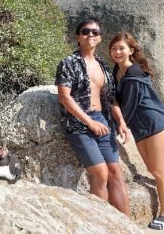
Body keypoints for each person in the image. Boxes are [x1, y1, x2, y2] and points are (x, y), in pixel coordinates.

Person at [108, 31, 164, 230]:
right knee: (154, 168)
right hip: (139, 125)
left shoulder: (133, 72)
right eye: (114, 48)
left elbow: (128, 105)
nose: (117, 52)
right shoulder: (116, 70)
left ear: (131, 50)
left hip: (152, 122)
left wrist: (116, 124)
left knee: (157, 170)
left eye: (122, 48)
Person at [55, 18, 130, 217]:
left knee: (116, 173)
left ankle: (127, 225)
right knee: (100, 173)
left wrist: (121, 122)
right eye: (86, 31)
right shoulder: (69, 63)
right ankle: (100, 222)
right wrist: (90, 122)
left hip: (103, 121)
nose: (91, 35)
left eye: (95, 32)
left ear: (99, 38)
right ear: (77, 37)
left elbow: (111, 99)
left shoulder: (104, 67)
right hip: (80, 124)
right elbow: (64, 97)